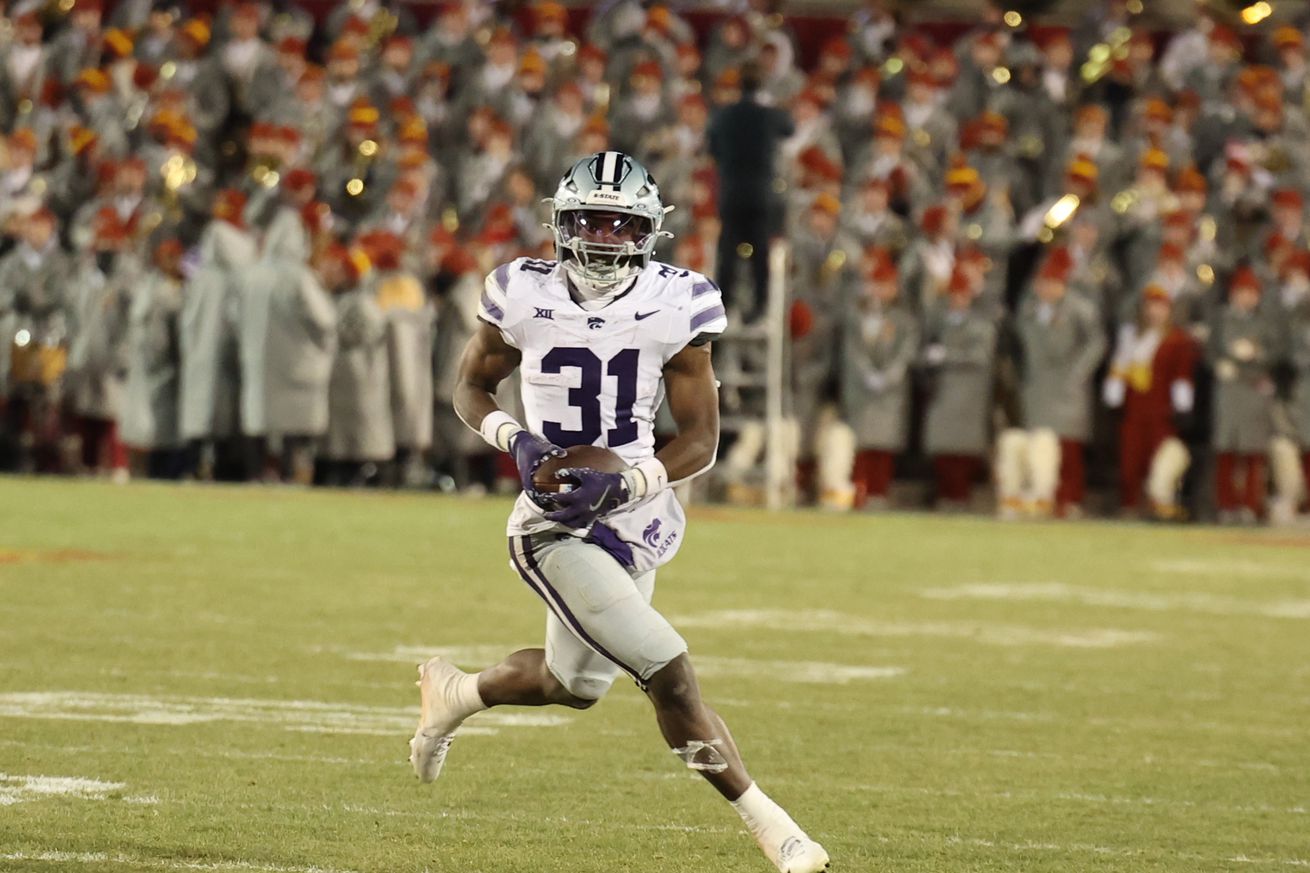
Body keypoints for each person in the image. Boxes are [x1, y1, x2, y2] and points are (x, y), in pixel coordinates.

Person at [408, 152, 829, 873]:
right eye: (587, 222)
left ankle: (454, 692)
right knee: (669, 672)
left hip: (634, 508)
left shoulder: (678, 300)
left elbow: (701, 438)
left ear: (648, 230)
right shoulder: (518, 290)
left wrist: (631, 483)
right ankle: (778, 831)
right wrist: (518, 439)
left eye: (618, 223)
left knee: (571, 686)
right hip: (551, 523)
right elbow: (469, 390)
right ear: (559, 223)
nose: (602, 238)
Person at [707, 60, 794, 323]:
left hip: (732, 191)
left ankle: (724, 303)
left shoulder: (724, 115)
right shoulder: (768, 114)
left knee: (728, 252)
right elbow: (789, 128)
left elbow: (712, 148)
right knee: (760, 253)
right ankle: (759, 305)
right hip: (760, 194)